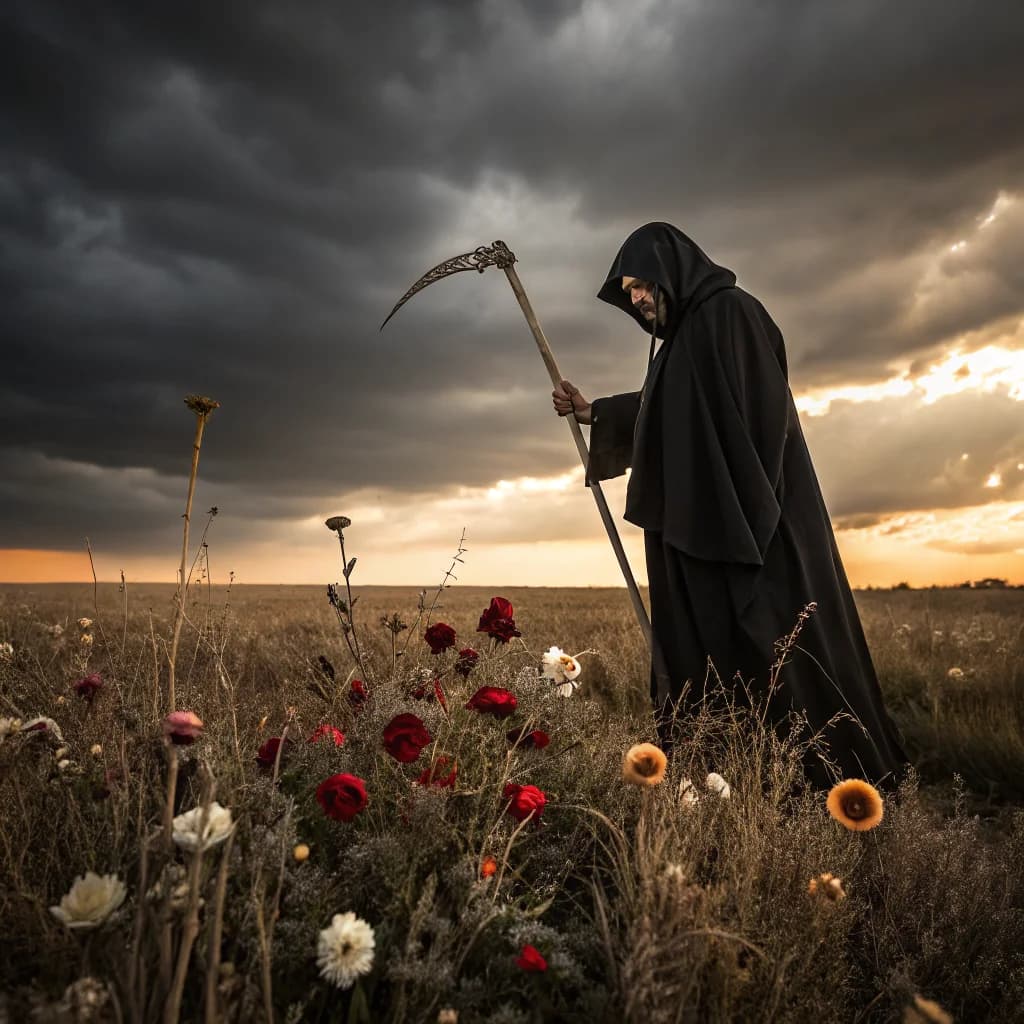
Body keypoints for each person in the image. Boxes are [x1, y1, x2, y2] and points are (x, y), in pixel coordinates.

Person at [552, 222, 908, 789]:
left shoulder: (731, 314)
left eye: (643, 284)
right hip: (704, 529)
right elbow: (669, 408)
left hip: (750, 529)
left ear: (674, 272)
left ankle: (819, 785)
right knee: (714, 658)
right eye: (630, 290)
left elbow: (756, 421)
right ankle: (731, 786)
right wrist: (597, 412)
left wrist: (742, 522)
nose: (637, 298)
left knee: (779, 655)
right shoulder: (684, 340)